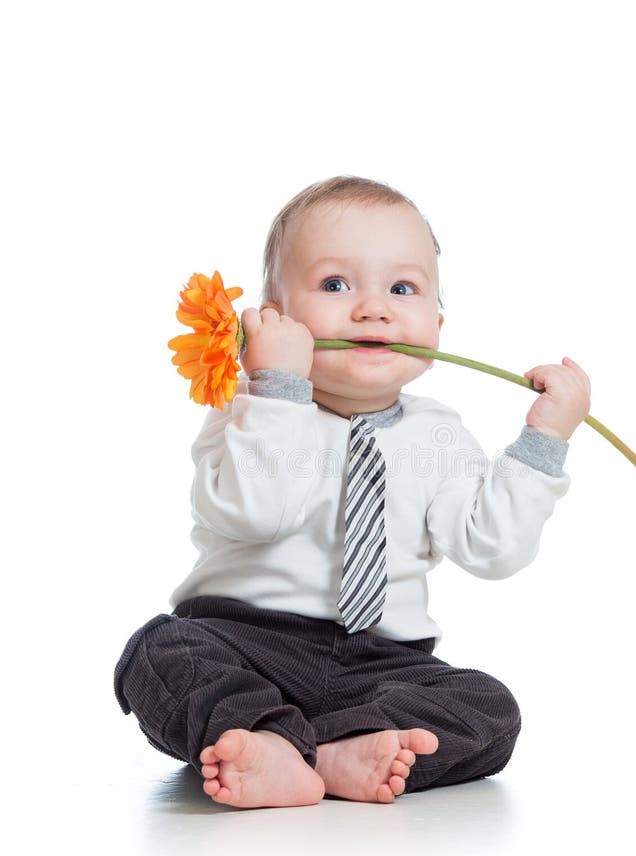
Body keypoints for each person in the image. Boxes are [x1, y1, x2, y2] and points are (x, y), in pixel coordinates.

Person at [114, 175, 591, 809]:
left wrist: (543, 443)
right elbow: (256, 514)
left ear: (438, 324)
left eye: (403, 289)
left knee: (489, 708)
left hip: (381, 664)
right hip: (245, 641)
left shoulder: (439, 435)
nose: (373, 310)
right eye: (335, 285)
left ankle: (330, 749)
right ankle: (259, 733)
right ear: (273, 319)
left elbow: (493, 550)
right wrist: (278, 386)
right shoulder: (249, 411)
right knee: (160, 651)